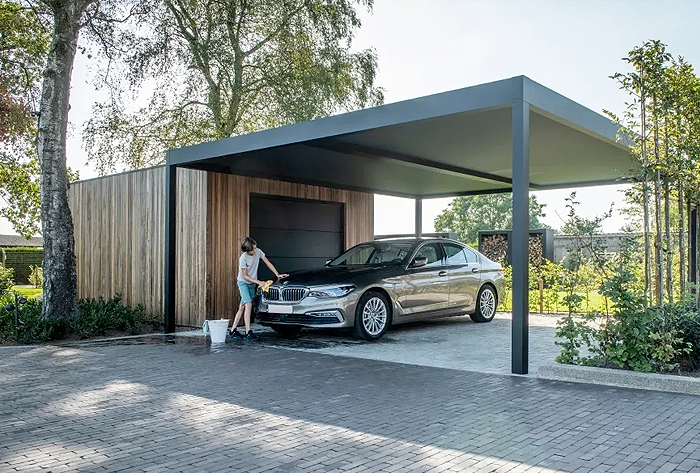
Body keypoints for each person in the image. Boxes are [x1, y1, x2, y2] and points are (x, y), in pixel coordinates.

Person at [229, 237, 287, 341]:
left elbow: (267, 262)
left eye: (255, 248)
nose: (254, 251)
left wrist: (277, 274)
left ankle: (233, 330)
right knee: (248, 304)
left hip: (252, 284)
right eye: (252, 250)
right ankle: (248, 332)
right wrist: (259, 282)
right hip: (243, 283)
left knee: (242, 307)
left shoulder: (258, 252)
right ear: (247, 250)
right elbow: (245, 276)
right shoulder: (243, 258)